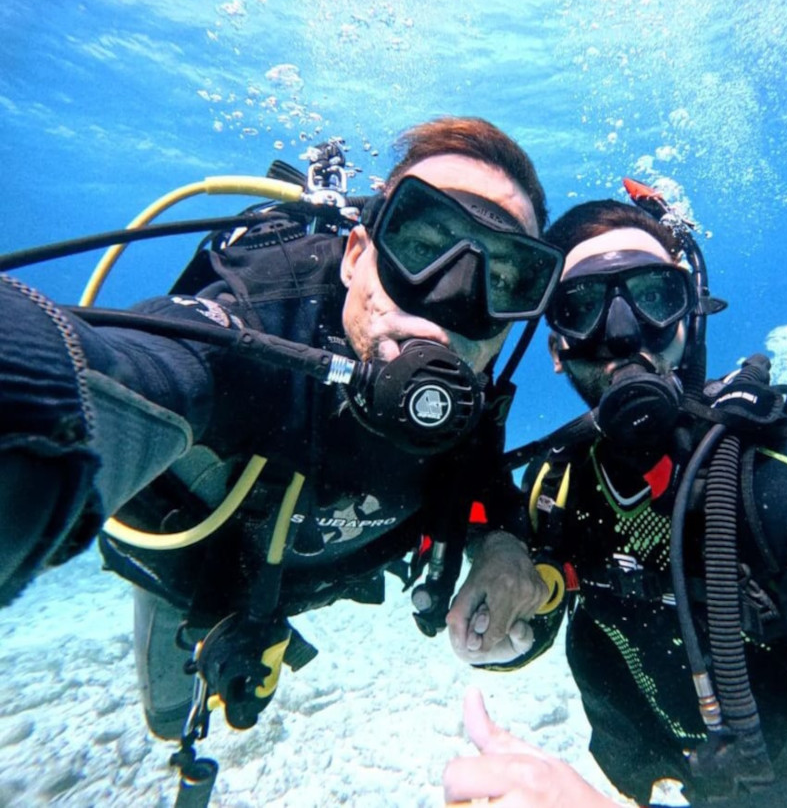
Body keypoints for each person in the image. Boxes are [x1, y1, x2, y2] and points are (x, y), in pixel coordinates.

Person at [0, 117, 563, 781]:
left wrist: (499, 545)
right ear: (357, 253)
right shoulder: (252, 329)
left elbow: (483, 486)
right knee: (166, 717)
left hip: (305, 579)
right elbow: (127, 368)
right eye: (423, 241)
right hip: (196, 573)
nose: (451, 297)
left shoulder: (467, 402)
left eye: (503, 275)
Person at [444, 189, 787, 807]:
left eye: (652, 297)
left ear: (690, 316)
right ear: (556, 349)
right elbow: (552, 606)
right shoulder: (556, 488)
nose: (621, 334)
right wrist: (514, 603)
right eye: (582, 307)